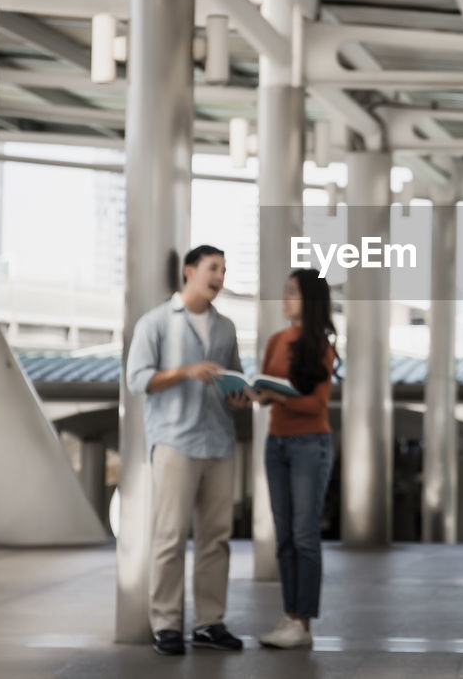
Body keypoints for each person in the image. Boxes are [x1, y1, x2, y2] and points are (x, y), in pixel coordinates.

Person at [126, 244, 247, 656]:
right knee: (170, 537)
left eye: (225, 270)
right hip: (175, 442)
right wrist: (184, 371)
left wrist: (240, 397)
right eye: (214, 268)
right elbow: (138, 378)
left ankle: (209, 623)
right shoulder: (155, 322)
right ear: (189, 271)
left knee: (216, 538)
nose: (220, 276)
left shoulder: (227, 327)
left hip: (219, 442)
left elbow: (235, 380)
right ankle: (166, 624)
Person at [252, 269, 339, 649]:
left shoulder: (321, 345)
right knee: (284, 536)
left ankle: (303, 624)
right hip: (277, 444)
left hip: (310, 445)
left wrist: (278, 397)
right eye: (285, 291)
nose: (285, 299)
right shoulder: (275, 341)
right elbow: (265, 387)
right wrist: (253, 395)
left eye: (293, 293)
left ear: (311, 300)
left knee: (304, 536)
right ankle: (289, 617)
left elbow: (316, 403)